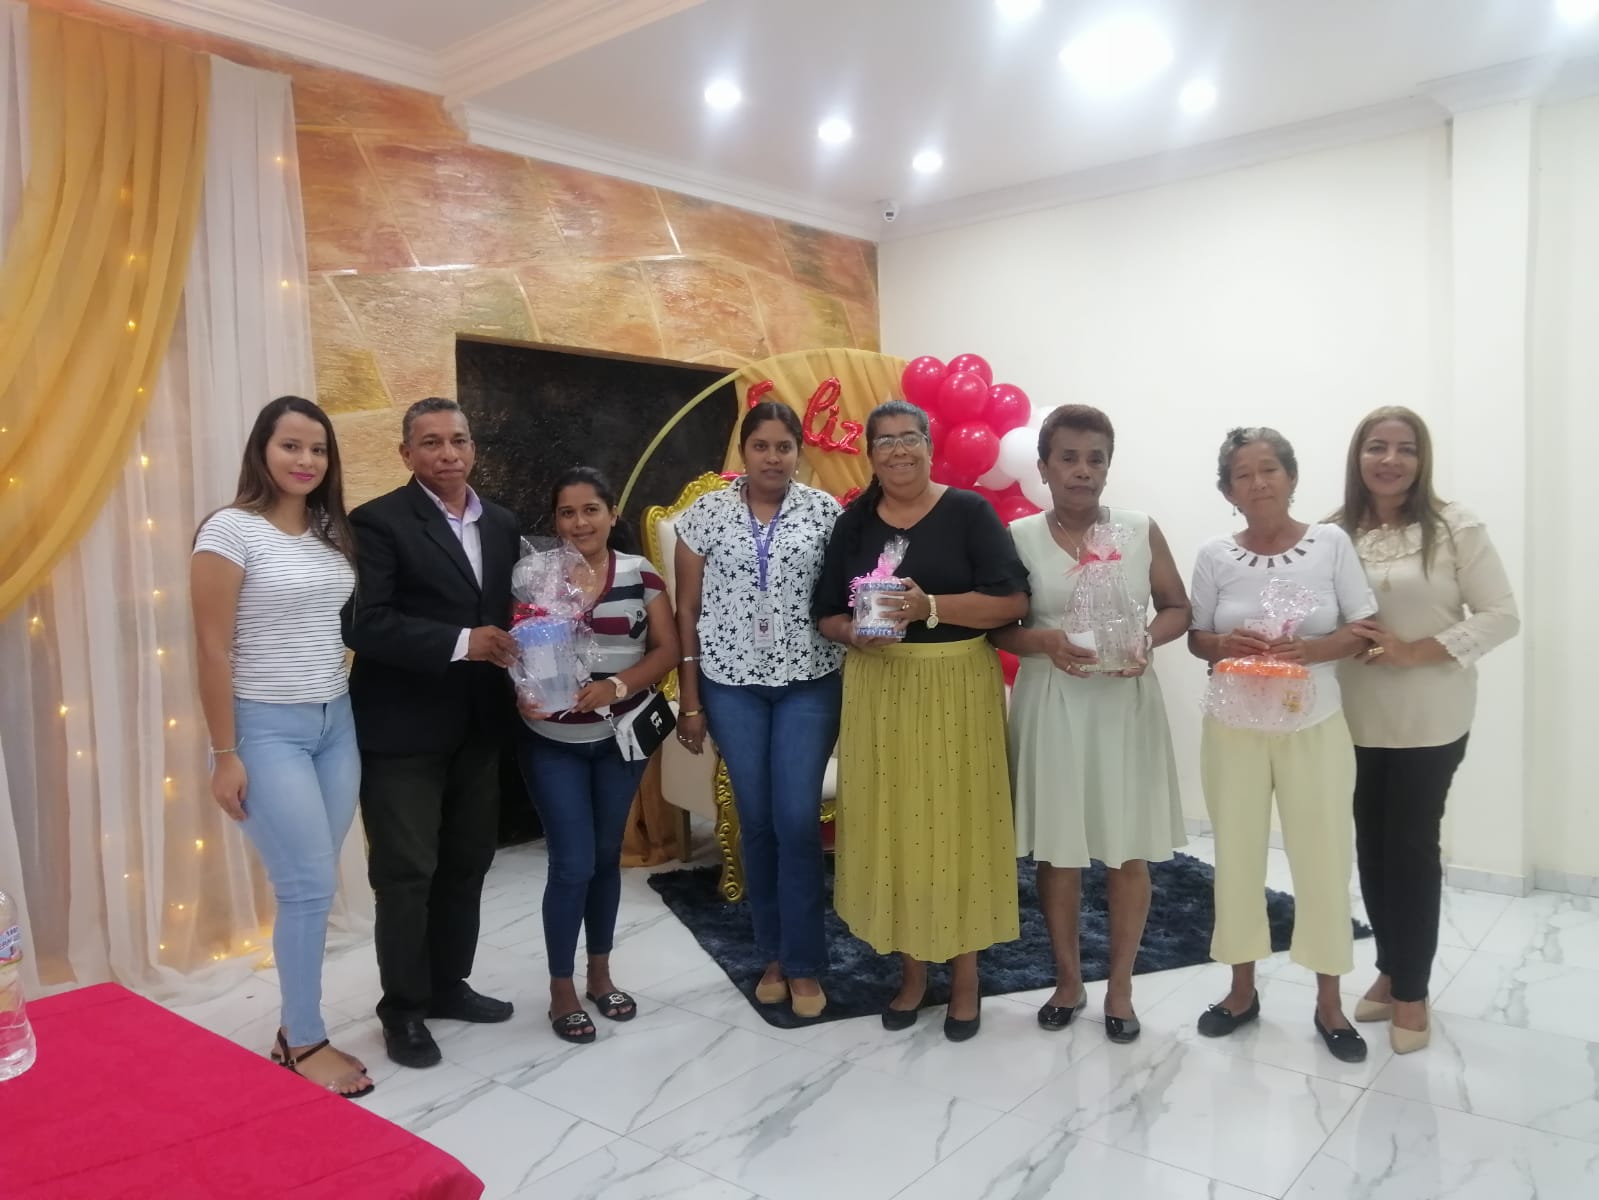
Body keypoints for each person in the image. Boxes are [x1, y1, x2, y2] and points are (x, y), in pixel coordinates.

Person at [813, 399, 1029, 1042]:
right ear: (870, 455)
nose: (898, 450)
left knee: (961, 826)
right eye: (884, 441)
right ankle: (911, 973)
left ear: (929, 447)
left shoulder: (969, 512)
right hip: (880, 689)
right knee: (894, 826)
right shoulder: (854, 523)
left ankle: (965, 978)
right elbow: (825, 613)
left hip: (958, 686)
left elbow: (1012, 601)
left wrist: (928, 605)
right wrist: (854, 632)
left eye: (910, 438)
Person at [191, 396, 371, 1097]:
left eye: (317, 449)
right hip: (265, 728)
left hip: (336, 723)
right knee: (306, 887)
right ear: (262, 450)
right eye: (290, 446)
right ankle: (303, 1039)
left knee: (314, 885)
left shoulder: (330, 532)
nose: (305, 460)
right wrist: (224, 755)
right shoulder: (229, 530)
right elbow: (212, 650)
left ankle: (294, 1029)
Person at [991, 404, 1189, 1044]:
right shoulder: (1017, 536)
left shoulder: (1138, 529)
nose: (1083, 470)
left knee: (1127, 847)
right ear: (1044, 467)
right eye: (1069, 458)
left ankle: (1122, 987)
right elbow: (998, 628)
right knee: (1060, 850)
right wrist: (1045, 641)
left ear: (1108, 466)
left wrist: (1147, 639)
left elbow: (1177, 607)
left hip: (1124, 704)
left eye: (1095, 458)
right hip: (1052, 703)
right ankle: (1069, 980)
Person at [1187, 426, 1377, 1062]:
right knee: (1236, 855)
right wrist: (1223, 644)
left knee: (1324, 858)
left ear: (1291, 478)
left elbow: (1365, 628)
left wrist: (1312, 650)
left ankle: (1330, 1001)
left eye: (1269, 469)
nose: (1258, 482)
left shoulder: (1331, 544)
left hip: (1313, 723)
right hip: (1233, 725)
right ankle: (1241, 990)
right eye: (1243, 474)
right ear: (1228, 491)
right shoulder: (1215, 555)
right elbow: (1196, 637)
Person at [1333, 406, 1518, 1054]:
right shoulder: (1333, 532)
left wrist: (1414, 651)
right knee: (1372, 845)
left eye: (1404, 448)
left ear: (1421, 459)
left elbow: (1501, 615)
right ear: (1357, 457)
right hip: (1352, 717)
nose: (1389, 460)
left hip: (1430, 719)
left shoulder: (1454, 527)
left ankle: (1412, 989)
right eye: (1376, 447)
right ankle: (1390, 966)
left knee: (1410, 849)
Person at [346, 397, 522, 1069]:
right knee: (406, 874)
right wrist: (462, 642)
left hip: (479, 724)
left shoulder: (502, 523)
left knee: (467, 863)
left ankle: (448, 984)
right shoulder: (377, 521)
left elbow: (513, 611)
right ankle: (402, 1009)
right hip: (402, 729)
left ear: (473, 447)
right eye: (430, 442)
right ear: (406, 453)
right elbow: (363, 623)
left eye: (458, 440)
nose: (447, 453)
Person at [674, 402, 845, 1020]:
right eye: (761, 446)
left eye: (784, 447)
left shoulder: (825, 512)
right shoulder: (706, 514)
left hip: (809, 680)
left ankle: (804, 962)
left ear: (799, 452)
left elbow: (846, 594)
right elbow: (686, 610)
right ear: (743, 452)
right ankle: (773, 955)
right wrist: (690, 700)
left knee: (796, 818)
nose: (773, 457)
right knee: (758, 819)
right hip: (730, 684)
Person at [515, 467, 678, 1044]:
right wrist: (521, 688)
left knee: (606, 858)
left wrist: (617, 685)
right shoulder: (532, 575)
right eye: (567, 512)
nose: (579, 522)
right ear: (555, 520)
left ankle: (600, 974)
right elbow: (513, 647)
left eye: (591, 510)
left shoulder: (641, 574)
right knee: (572, 864)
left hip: (618, 743)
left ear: (612, 514)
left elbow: (668, 649)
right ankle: (561, 988)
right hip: (552, 743)